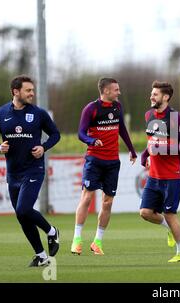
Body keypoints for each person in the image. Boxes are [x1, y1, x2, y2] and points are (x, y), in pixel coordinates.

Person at [0, 75, 61, 267]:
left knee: (23, 209)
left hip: (34, 170)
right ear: (15, 91)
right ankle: (41, 255)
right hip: (13, 173)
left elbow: (55, 134)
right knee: (22, 216)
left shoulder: (39, 113)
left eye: (32, 90)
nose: (32, 94)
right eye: (28, 90)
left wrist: (43, 147)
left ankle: (52, 231)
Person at [71, 77, 137, 255]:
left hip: (113, 162)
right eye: (116, 89)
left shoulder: (117, 107)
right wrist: (92, 140)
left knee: (107, 203)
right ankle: (77, 239)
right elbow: (81, 133)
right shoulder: (91, 109)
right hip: (94, 160)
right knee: (87, 197)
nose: (119, 92)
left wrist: (131, 149)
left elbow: (121, 128)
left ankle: (97, 242)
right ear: (106, 91)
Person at [139, 81, 180, 262]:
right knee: (145, 212)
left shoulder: (176, 118)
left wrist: (161, 147)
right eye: (151, 93)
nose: (151, 96)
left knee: (170, 214)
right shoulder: (148, 115)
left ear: (166, 97)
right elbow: (152, 140)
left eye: (155, 94)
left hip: (172, 176)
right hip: (154, 175)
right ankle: (168, 228)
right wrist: (145, 154)